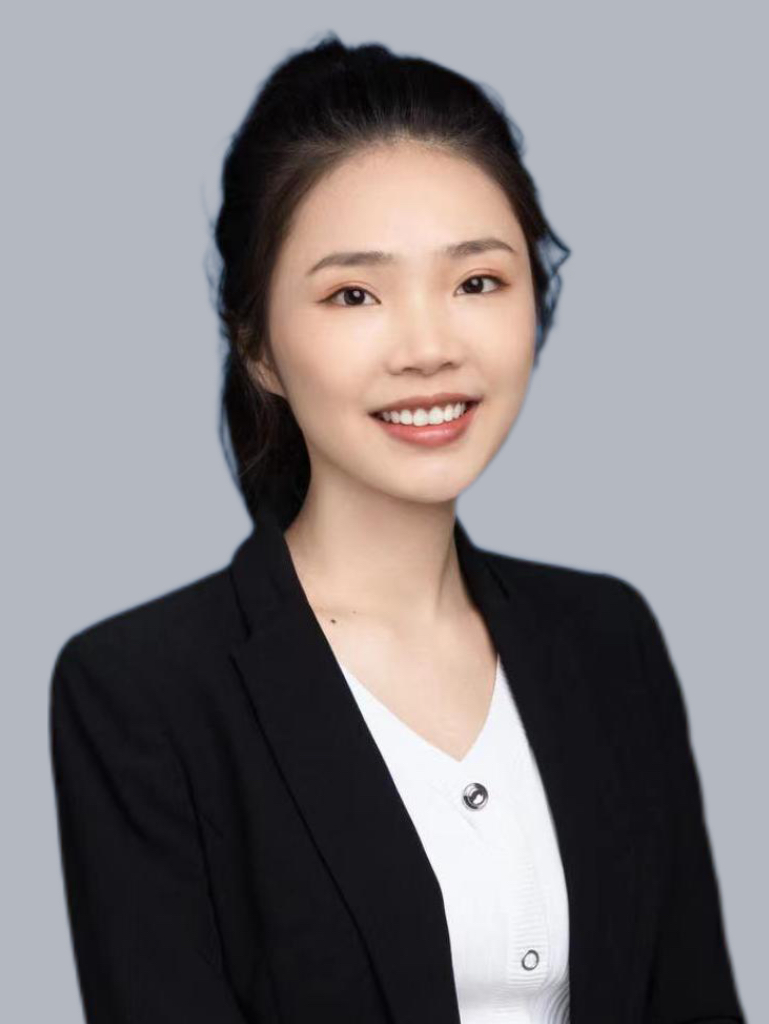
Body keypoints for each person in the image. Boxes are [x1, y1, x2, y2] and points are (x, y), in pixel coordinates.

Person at [49, 33, 746, 1024]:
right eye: (354, 294)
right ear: (257, 345)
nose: (428, 348)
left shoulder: (609, 639)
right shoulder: (141, 694)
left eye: (476, 282)